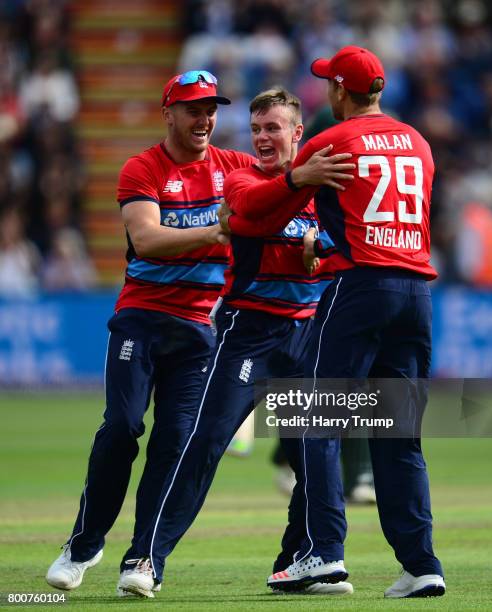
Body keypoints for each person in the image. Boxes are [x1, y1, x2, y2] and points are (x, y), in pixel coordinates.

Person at [217, 45, 446, 599]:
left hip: (358, 289)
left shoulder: (331, 141)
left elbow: (261, 211)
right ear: (380, 91)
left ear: (341, 92)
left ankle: (322, 555)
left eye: (329, 85)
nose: (325, 92)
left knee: (316, 419)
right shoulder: (418, 142)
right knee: (399, 436)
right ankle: (421, 565)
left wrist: (256, 208)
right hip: (416, 292)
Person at [115, 87, 356, 598]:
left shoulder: (323, 191)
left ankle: (307, 560)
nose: (263, 138)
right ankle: (145, 560)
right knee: (204, 443)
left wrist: (322, 245)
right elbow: (251, 211)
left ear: (297, 133)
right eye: (256, 129)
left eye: (274, 129)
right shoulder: (244, 178)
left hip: (307, 335)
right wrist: (299, 185)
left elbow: (345, 242)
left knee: (314, 452)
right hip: (248, 334)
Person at [45, 69, 256, 592]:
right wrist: (221, 229)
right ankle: (85, 544)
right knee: (122, 427)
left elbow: (284, 193)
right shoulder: (142, 168)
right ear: (168, 113)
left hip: (198, 331)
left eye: (211, 108)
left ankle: (141, 558)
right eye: (192, 108)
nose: (204, 118)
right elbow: (148, 239)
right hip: (141, 319)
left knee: (174, 443)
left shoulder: (238, 167)